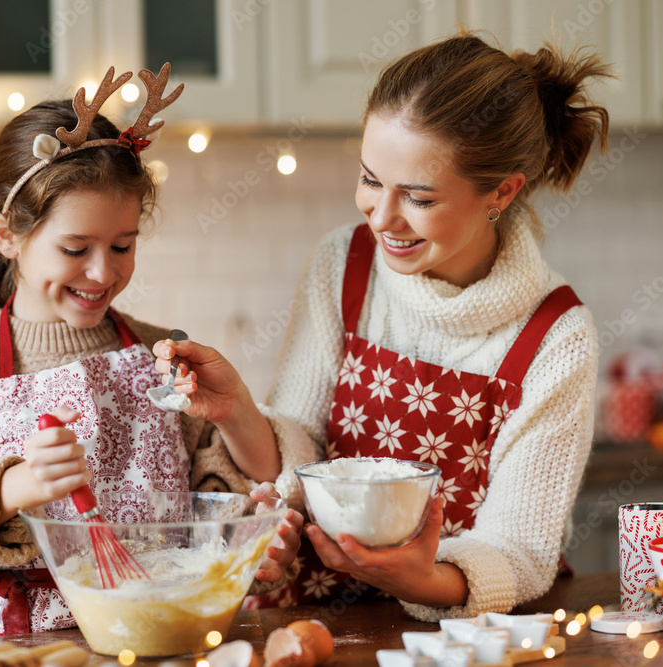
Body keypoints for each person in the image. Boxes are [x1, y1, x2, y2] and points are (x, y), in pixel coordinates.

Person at [154, 33, 607, 620]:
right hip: (317, 620)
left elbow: (520, 551)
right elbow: (300, 451)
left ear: (502, 190)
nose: (382, 217)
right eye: (371, 180)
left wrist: (420, 579)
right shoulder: (343, 265)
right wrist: (237, 409)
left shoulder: (556, 337)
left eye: (418, 197)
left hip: (464, 640)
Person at [0, 66, 309, 638]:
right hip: (24, 647)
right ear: (7, 235)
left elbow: (221, 492)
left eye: (122, 245)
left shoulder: (160, 352)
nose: (102, 271)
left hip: (166, 628)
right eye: (74, 248)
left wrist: (249, 543)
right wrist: (21, 484)